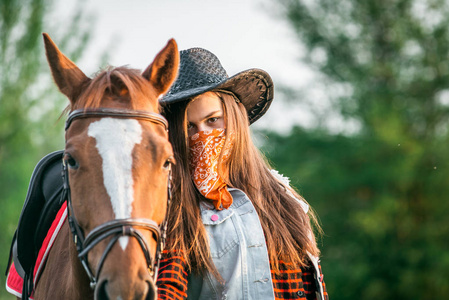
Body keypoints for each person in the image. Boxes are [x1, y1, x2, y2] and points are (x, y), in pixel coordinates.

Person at [156, 48, 329, 300]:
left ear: (235, 118)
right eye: (189, 126)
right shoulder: (174, 207)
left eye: (213, 120)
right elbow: (166, 289)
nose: (202, 134)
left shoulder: (283, 199)